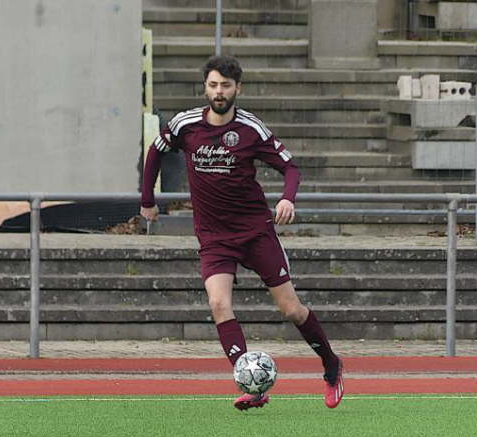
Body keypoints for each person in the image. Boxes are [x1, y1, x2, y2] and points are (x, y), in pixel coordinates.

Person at [140, 55, 344, 410]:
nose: (219, 92)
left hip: (255, 233)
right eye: (213, 85)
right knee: (219, 304)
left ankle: (331, 365)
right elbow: (155, 153)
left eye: (226, 86)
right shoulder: (185, 124)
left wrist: (287, 199)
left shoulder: (252, 129)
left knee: (290, 309)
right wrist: (147, 200)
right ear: (205, 86)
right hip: (214, 237)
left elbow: (290, 168)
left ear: (238, 88)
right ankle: (254, 386)